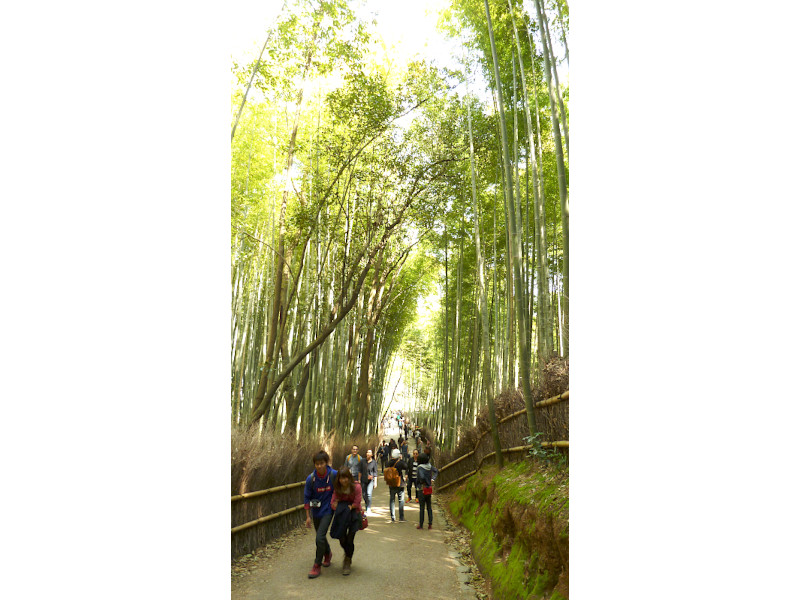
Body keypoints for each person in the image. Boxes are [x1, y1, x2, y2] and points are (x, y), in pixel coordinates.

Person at [304, 450, 337, 578]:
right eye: (317, 464)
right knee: (320, 536)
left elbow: (343, 487)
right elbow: (306, 498)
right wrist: (307, 517)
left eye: (322, 463)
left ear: (326, 463)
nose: (319, 466)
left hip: (328, 510)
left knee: (319, 537)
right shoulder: (311, 479)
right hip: (316, 511)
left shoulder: (334, 475)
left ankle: (316, 565)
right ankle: (328, 553)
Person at [330, 468, 363, 575]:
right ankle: (347, 554)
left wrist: (351, 506)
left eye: (345, 478)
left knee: (350, 539)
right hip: (342, 514)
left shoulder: (356, 486)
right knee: (342, 538)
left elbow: (357, 501)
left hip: (354, 513)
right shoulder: (338, 488)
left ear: (349, 478)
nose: (343, 480)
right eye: (341, 478)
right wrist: (336, 505)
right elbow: (333, 501)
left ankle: (347, 560)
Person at [415, 452, 439, 530]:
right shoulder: (429, 466)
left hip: (422, 489)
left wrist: (424, 481)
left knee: (422, 507)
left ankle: (421, 524)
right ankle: (430, 524)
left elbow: (421, 477)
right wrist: (432, 479)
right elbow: (436, 471)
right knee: (429, 507)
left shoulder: (420, 467)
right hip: (428, 489)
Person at [386, 448, 408, 523]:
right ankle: (401, 517)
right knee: (401, 500)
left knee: (392, 500)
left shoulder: (389, 462)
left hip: (391, 483)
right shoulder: (400, 462)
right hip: (399, 484)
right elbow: (406, 466)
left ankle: (393, 517)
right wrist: (401, 459)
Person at [361, 449, 378, 514]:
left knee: (369, 493)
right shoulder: (362, 461)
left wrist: (375, 482)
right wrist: (359, 479)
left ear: (372, 454)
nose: (368, 453)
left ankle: (368, 507)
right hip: (363, 480)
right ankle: (366, 503)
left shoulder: (374, 462)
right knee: (364, 494)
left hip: (371, 480)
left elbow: (375, 472)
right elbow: (360, 471)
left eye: (370, 452)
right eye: (367, 452)